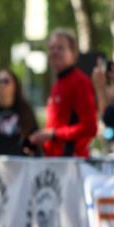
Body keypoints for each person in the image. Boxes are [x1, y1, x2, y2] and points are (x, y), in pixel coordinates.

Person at [28, 29, 97, 157]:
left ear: (73, 53)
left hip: (71, 160)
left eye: (60, 48)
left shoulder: (80, 82)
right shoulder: (58, 83)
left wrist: (53, 134)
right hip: (54, 160)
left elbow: (90, 128)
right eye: (51, 48)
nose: (54, 52)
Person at [0, 69, 39, 155]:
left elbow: (34, 138)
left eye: (6, 81)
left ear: (15, 85)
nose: (2, 85)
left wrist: (29, 152)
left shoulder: (25, 109)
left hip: (20, 161)